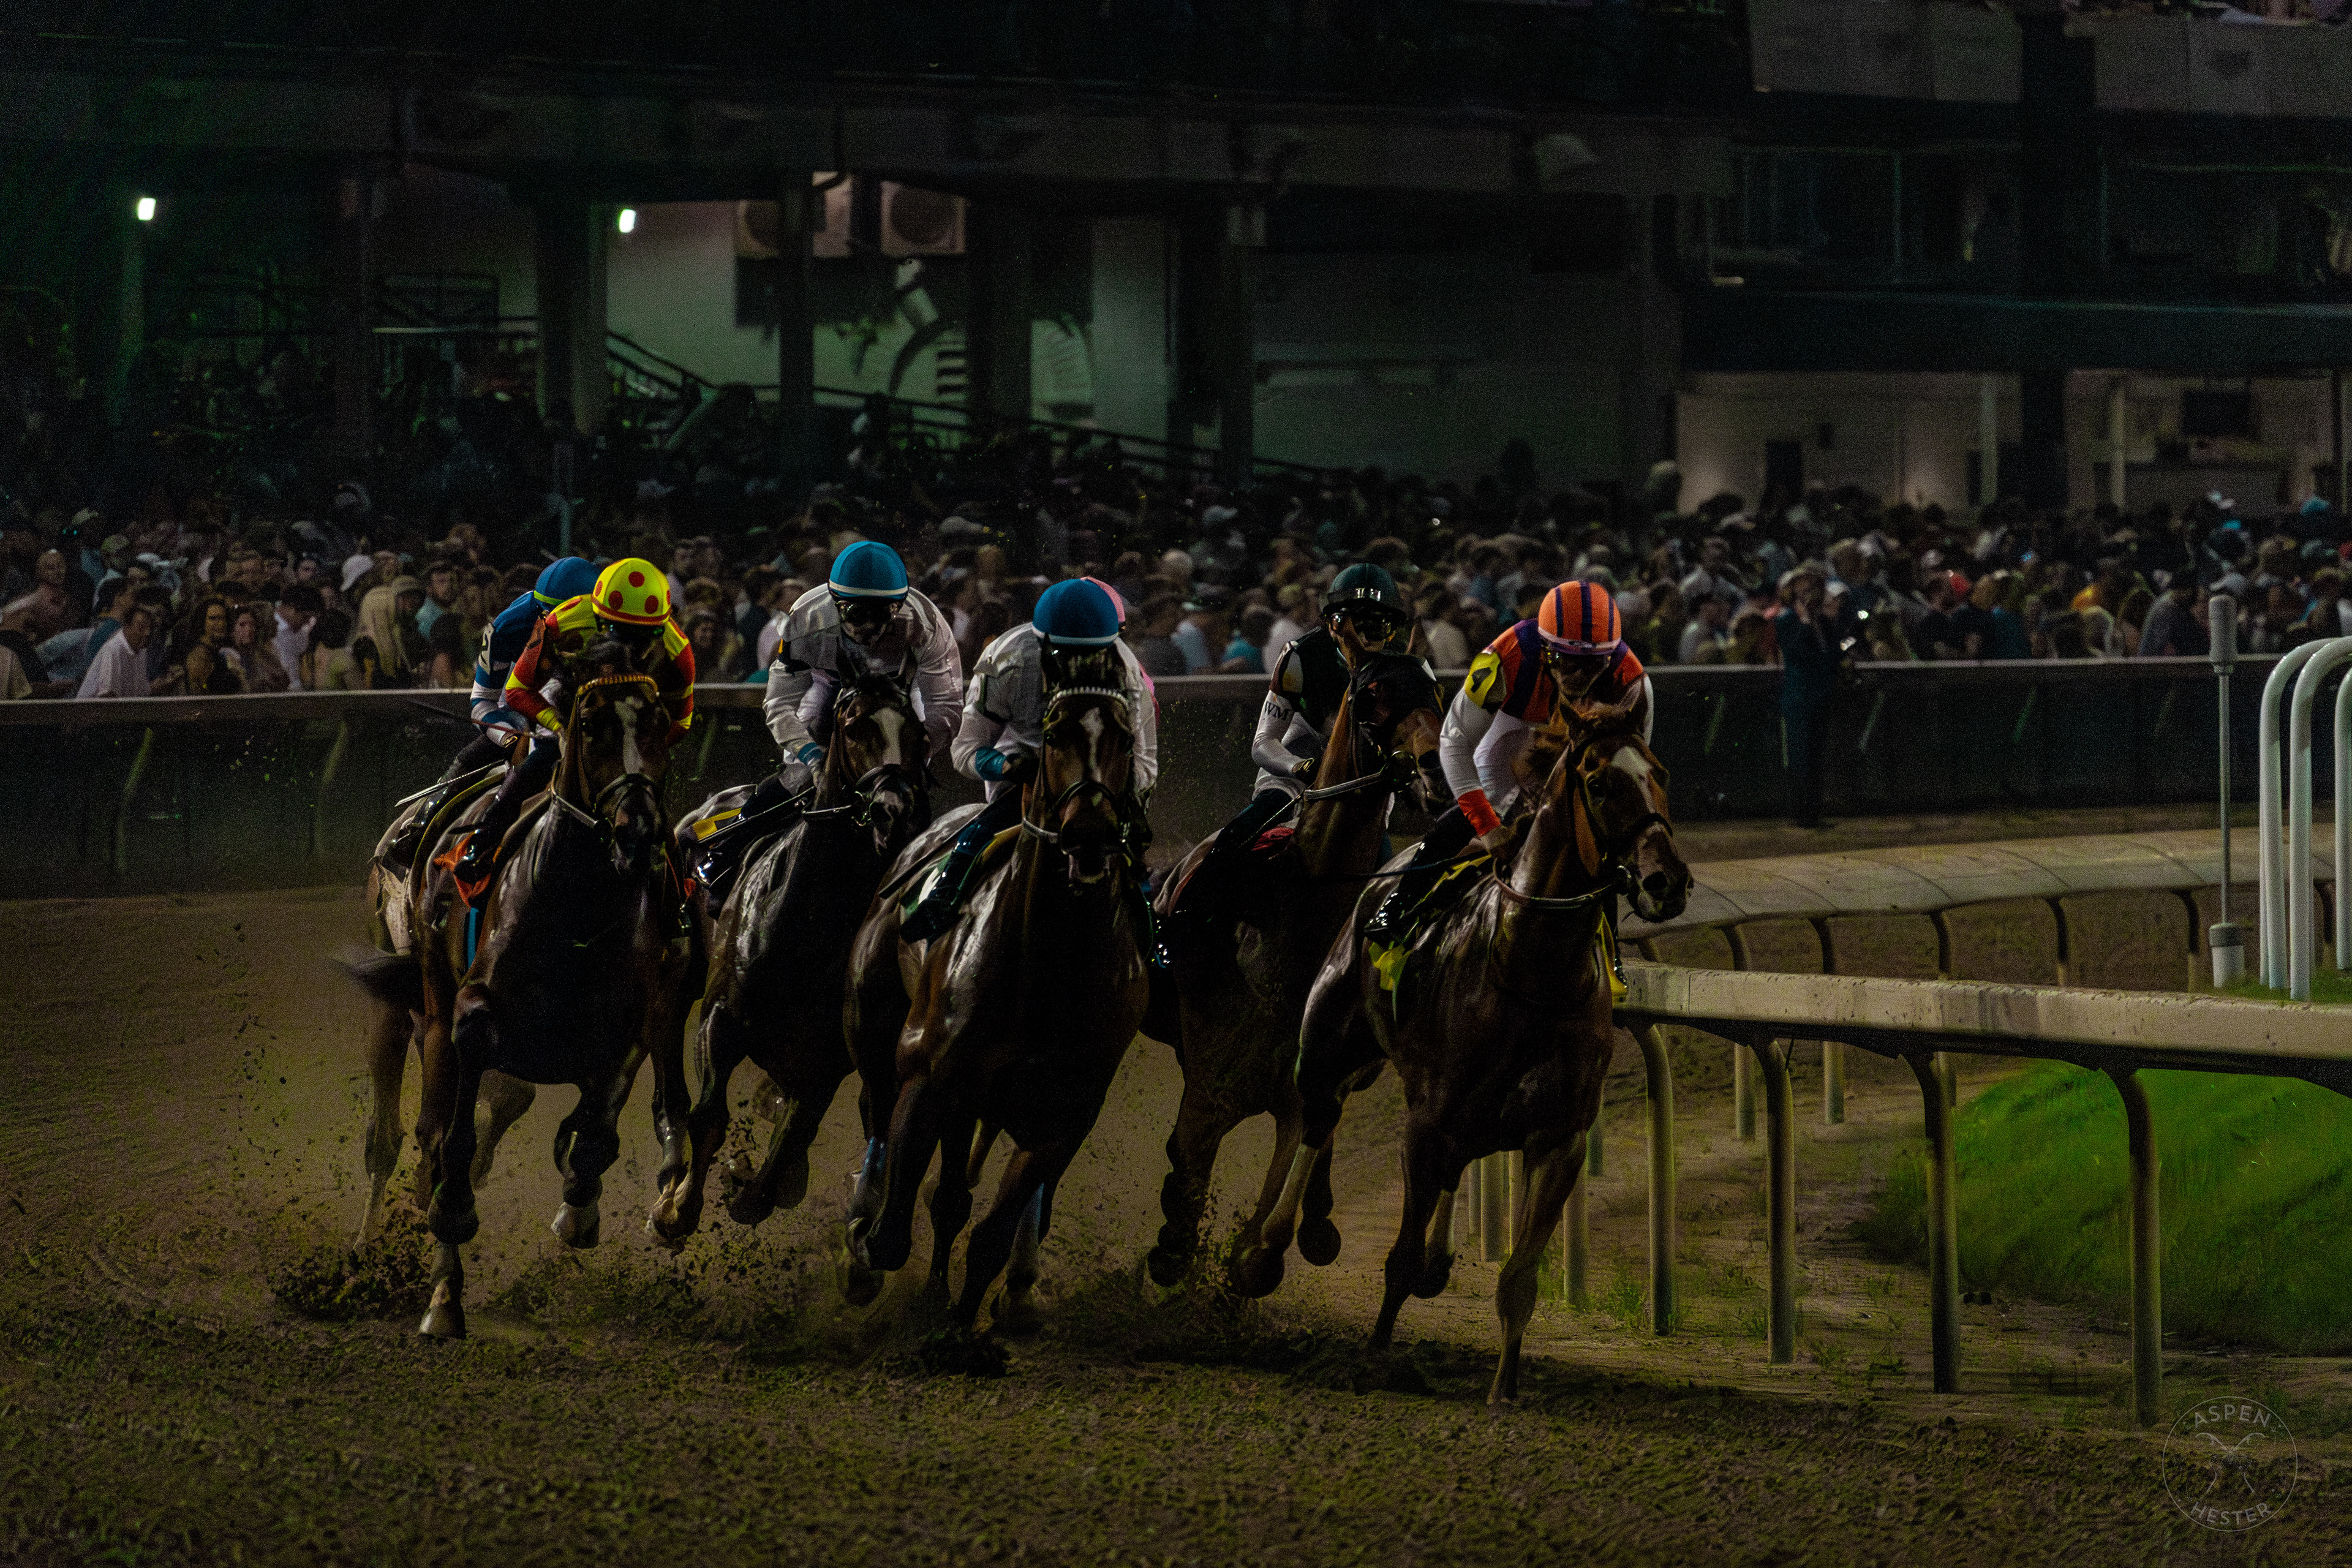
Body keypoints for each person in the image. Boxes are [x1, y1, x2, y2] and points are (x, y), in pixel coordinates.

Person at [1365, 579, 1653, 940]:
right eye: (1567, 661)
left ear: (1612, 656)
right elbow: (1454, 745)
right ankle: (1400, 903)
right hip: (1512, 728)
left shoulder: (1632, 681)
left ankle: (1607, 941)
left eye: (1593, 664)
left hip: (1579, 743)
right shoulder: (1504, 657)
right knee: (1483, 810)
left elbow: (1628, 773)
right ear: (1546, 650)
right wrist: (1488, 827)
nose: (1579, 676)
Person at [1166, 564, 1419, 954]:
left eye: (1382, 623)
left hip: (1363, 782)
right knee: (1244, 830)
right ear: (1336, 621)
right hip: (1297, 772)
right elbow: (1262, 743)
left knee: (1385, 863)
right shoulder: (1300, 658)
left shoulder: (1406, 665)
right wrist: (1299, 769)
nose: (1372, 633)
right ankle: (1186, 924)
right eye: (1362, 620)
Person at [900, 578, 1160, 945]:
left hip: (1099, 779)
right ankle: (942, 901)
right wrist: (1006, 767)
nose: (1078, 665)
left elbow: (1146, 763)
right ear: (1043, 643)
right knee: (979, 835)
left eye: (1091, 655)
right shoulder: (1006, 659)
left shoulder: (1128, 670)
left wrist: (1118, 793)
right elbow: (964, 750)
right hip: (1024, 779)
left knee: (1133, 857)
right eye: (1065, 655)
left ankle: (1153, 940)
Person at [451, 558, 696, 881]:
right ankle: (484, 840)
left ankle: (678, 889)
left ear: (664, 626)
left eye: (644, 637)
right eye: (615, 631)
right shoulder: (559, 622)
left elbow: (682, 722)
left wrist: (640, 751)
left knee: (650, 790)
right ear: (594, 613)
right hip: (571, 698)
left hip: (629, 721)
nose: (627, 646)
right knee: (540, 757)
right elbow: (517, 689)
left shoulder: (679, 653)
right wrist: (561, 729)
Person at [1774, 564, 1842, 829]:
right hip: (1799, 698)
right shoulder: (1787, 622)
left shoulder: (1825, 622)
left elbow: (1834, 652)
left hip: (1820, 696)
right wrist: (1804, 622)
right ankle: (1800, 812)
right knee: (1800, 756)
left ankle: (1813, 811)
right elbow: (1797, 652)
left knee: (1816, 755)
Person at [75, 601, 158, 699]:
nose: (147, 633)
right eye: (141, 628)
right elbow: (107, 696)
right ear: (127, 626)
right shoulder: (113, 649)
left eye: (150, 628)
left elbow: (141, 693)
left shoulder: (142, 651)